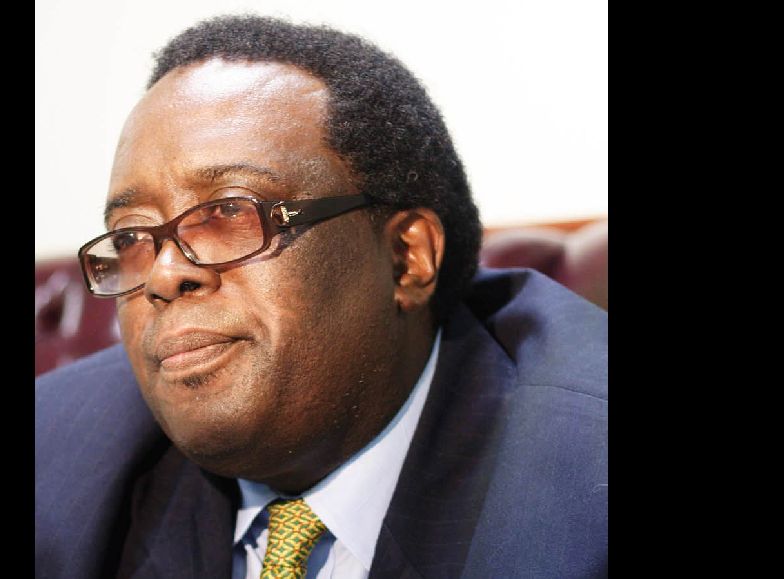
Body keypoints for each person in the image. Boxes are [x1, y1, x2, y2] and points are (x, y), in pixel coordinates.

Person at [36, 15, 607, 579]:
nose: (164, 275)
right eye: (130, 237)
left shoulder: (585, 479)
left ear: (406, 257)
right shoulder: (57, 458)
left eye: (229, 211)